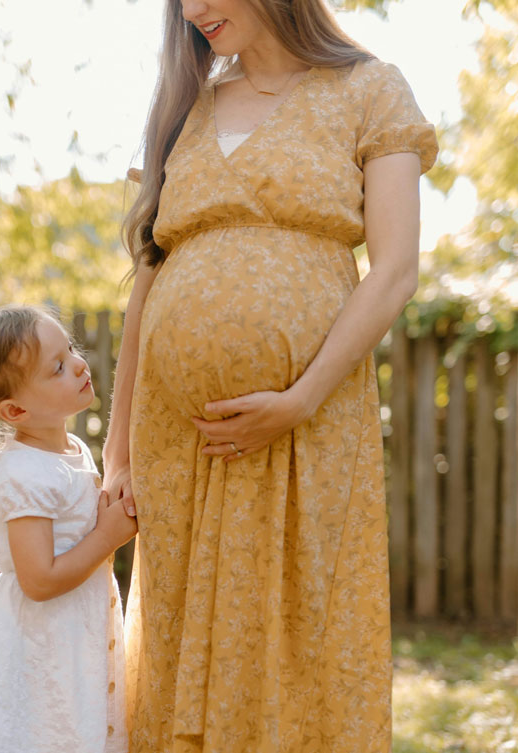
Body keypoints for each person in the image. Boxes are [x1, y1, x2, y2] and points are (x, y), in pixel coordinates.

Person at [102, 1, 438, 752]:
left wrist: (298, 398)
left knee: (298, 630)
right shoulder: (184, 108)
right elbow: (147, 284)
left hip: (307, 422)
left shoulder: (370, 90)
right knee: (176, 633)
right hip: (175, 438)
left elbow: (395, 271)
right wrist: (117, 450)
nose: (194, 10)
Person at [0, 305, 135, 753]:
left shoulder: (70, 448)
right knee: (46, 734)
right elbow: (39, 579)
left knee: (83, 727)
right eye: (57, 368)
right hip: (40, 645)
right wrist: (108, 537)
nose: (78, 364)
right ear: (16, 409)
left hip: (76, 632)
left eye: (69, 350)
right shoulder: (22, 473)